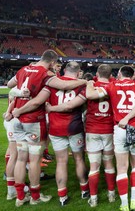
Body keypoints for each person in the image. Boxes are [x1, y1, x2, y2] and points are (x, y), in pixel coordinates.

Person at [7, 50, 87, 207]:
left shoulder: (23, 69)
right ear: (52, 62)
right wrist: (84, 82)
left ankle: (19, 196)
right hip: (32, 121)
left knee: (21, 158)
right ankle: (35, 197)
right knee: (35, 160)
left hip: (17, 120)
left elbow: (10, 85)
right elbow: (63, 85)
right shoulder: (46, 75)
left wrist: (18, 103)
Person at [85, 65, 135, 211]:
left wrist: (90, 83)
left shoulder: (112, 85)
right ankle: (134, 200)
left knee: (122, 168)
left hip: (120, 129)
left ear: (120, 74)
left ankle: (124, 204)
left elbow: (90, 95)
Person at [46, 64, 116, 207]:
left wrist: (50, 108)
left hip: (59, 127)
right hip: (77, 127)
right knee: (80, 160)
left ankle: (62, 196)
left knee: (61, 162)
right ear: (78, 73)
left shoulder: (53, 82)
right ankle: (87, 190)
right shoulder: (106, 87)